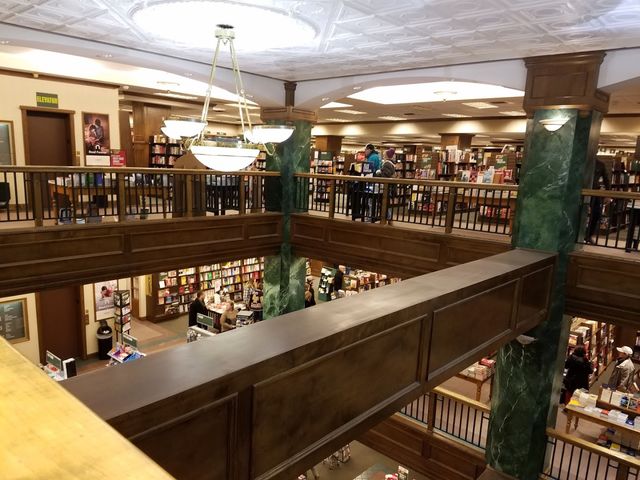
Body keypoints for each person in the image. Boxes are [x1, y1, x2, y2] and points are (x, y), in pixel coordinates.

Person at [585, 158, 611, 244]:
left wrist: (608, 194)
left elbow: (606, 179)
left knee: (597, 213)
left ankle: (588, 235)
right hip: (582, 190)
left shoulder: (600, 164)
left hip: (594, 192)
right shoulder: (582, 160)